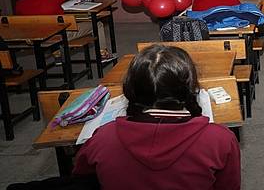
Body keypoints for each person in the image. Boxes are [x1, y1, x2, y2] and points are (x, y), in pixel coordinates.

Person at [73, 45, 241, 190]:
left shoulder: (102, 138)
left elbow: (83, 179)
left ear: (131, 89)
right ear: (190, 88)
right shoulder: (221, 139)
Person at [16, 0, 114, 61]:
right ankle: (103, 54)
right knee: (97, 24)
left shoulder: (19, 4)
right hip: (59, 36)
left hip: (34, 38)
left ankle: (58, 53)